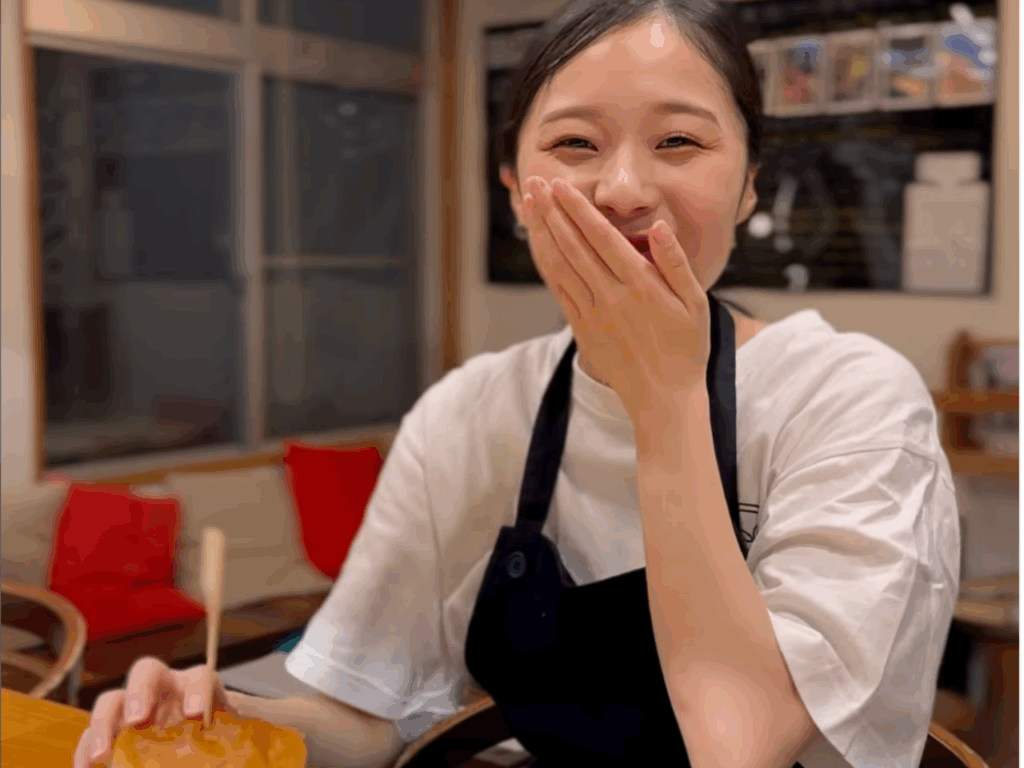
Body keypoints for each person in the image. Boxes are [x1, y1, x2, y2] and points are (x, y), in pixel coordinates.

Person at [75, 1, 960, 767]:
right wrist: (233, 720)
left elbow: (743, 745)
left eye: (679, 141)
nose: (622, 190)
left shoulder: (849, 398)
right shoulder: (468, 413)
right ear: (513, 191)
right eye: (575, 143)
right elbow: (372, 716)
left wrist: (665, 398)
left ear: (748, 189)